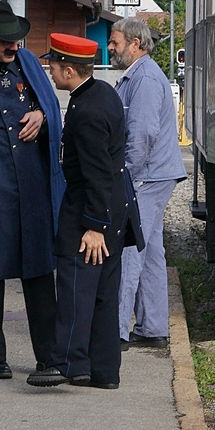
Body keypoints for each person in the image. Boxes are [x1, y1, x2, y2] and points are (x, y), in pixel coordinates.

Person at [0, 0, 66, 379]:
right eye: (6, 41)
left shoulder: (28, 62)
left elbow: (51, 107)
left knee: (40, 274)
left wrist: (41, 115)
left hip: (32, 185)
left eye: (17, 40)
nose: (14, 46)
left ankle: (49, 357)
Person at [28, 34, 141, 390]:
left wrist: (94, 226)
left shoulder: (88, 110)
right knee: (104, 293)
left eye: (53, 66)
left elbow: (97, 172)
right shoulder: (101, 93)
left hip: (91, 209)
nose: (49, 71)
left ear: (69, 70)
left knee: (76, 287)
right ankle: (103, 370)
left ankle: (65, 362)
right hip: (114, 206)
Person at [108, 17, 186, 351]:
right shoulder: (140, 75)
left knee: (127, 249)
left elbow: (142, 133)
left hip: (147, 175)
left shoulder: (145, 79)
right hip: (155, 173)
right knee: (149, 249)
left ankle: (115, 330)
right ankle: (153, 327)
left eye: (115, 42)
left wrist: (126, 174)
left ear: (135, 44)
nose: (110, 47)